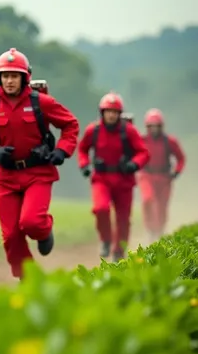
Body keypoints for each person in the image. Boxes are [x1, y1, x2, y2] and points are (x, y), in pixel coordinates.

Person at [0, 48, 79, 279]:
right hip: (7, 176)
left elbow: (70, 125)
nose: (10, 81)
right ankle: (28, 278)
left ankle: (45, 232)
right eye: (5, 76)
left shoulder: (41, 102)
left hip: (38, 173)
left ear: (25, 78)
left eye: (15, 76)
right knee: (11, 235)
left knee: (32, 222)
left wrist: (62, 151)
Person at [77, 92, 150, 261]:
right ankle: (105, 240)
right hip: (101, 179)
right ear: (102, 112)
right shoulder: (93, 130)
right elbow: (82, 149)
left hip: (124, 181)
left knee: (123, 219)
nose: (111, 115)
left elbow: (143, 153)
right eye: (108, 111)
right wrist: (84, 165)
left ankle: (119, 252)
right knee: (100, 209)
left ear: (120, 114)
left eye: (115, 112)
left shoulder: (128, 131)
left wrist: (134, 164)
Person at [137, 108, 186, 242]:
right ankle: (150, 229)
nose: (154, 129)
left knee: (161, 206)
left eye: (156, 126)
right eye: (151, 126)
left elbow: (181, 158)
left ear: (161, 126)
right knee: (148, 200)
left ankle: (159, 230)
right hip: (146, 175)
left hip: (164, 178)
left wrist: (177, 171)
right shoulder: (141, 140)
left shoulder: (169, 141)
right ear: (147, 127)